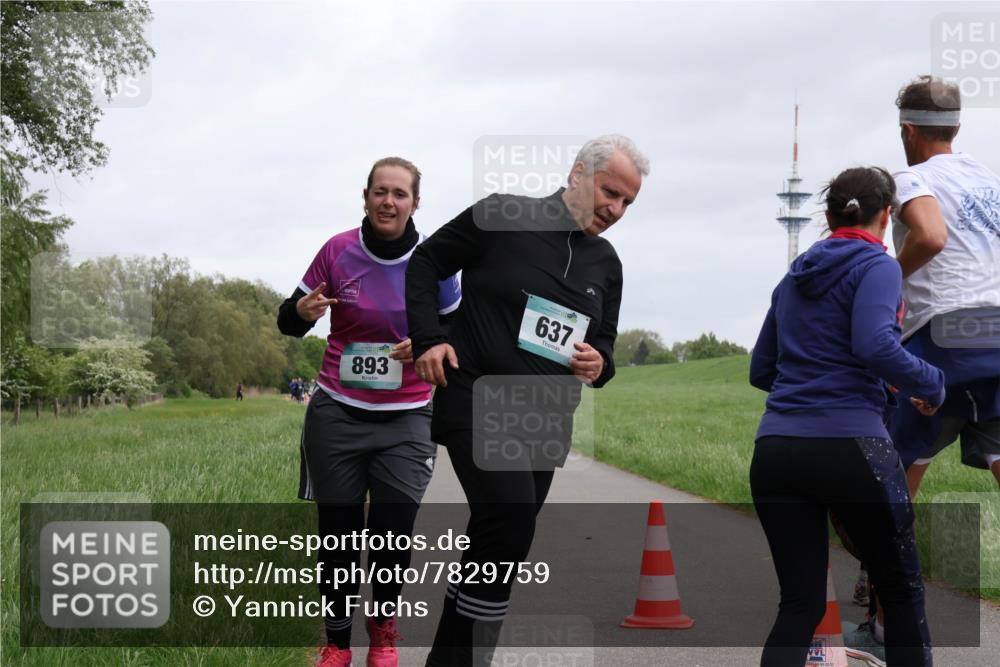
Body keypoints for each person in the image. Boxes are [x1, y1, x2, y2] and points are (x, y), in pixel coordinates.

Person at [405, 134, 648, 666]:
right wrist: (428, 339)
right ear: (579, 173)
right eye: (611, 192)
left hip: (546, 419)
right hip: (475, 392)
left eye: (628, 202)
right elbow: (425, 263)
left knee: (500, 545)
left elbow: (602, 345)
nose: (616, 209)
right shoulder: (502, 217)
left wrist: (599, 364)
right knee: (510, 520)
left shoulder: (606, 264)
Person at [749, 166, 945, 666]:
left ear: (829, 215)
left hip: (776, 452)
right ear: (886, 217)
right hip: (853, 448)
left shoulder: (793, 275)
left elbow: (761, 369)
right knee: (901, 592)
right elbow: (874, 343)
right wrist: (930, 382)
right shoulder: (878, 266)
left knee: (799, 604)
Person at [277, 157, 461, 667]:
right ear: (365, 197)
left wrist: (424, 343)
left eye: (400, 194)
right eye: (380, 192)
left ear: (415, 203)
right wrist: (301, 311)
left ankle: (382, 637)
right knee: (337, 536)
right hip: (337, 412)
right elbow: (288, 320)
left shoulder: (434, 262)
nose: (388, 201)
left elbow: (457, 335)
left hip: (406, 418)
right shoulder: (338, 251)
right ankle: (337, 643)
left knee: (392, 533)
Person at [844, 74, 1000, 662]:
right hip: (998, 331)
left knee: (896, 475)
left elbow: (930, 234)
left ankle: (887, 626)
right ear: (957, 127)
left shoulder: (910, 177)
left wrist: (886, 276)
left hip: (943, 334)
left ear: (907, 129)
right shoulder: (990, 179)